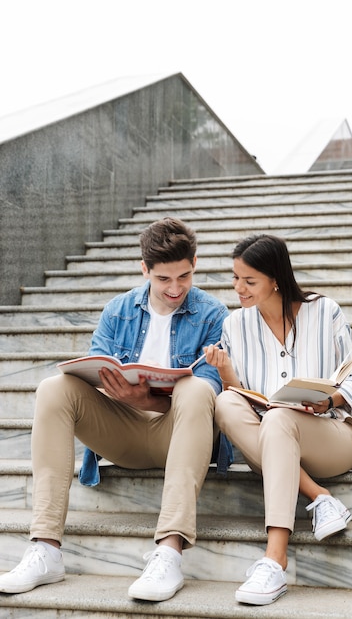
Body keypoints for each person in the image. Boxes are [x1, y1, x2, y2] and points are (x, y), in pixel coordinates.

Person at [0, 217, 230, 601]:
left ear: (194, 263)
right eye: (163, 280)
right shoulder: (118, 311)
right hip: (121, 433)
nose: (175, 289)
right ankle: (45, 548)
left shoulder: (212, 313)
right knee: (54, 389)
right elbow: (96, 372)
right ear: (145, 270)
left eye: (184, 276)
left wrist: (146, 400)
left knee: (196, 388)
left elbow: (213, 392)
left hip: (180, 434)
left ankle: (169, 552)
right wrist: (120, 395)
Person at [204, 234, 352, 606]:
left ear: (275, 278)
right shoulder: (235, 326)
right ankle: (319, 496)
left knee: (278, 420)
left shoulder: (326, 312)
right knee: (227, 402)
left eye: (249, 280)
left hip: (331, 435)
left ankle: (275, 558)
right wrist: (227, 371)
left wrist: (328, 401)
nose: (238, 288)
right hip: (274, 438)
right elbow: (243, 395)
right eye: (234, 278)